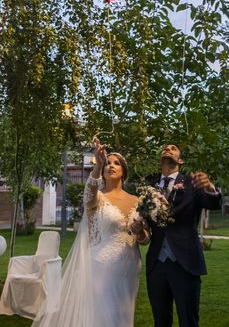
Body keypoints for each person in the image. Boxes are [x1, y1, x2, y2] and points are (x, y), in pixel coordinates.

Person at [32, 139, 148, 327]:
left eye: (116, 163)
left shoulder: (137, 200)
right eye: (107, 163)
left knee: (124, 316)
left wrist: (140, 233)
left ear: (124, 172)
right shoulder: (97, 198)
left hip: (130, 266)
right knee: (102, 315)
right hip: (102, 266)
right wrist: (98, 164)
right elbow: (89, 192)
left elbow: (145, 239)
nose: (111, 165)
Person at [146, 143, 221, 327]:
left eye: (173, 148)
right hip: (157, 264)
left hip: (186, 263)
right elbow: (146, 223)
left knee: (188, 321)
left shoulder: (191, 184)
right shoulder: (149, 186)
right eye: (164, 148)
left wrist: (210, 187)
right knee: (160, 322)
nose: (167, 149)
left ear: (180, 160)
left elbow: (212, 203)